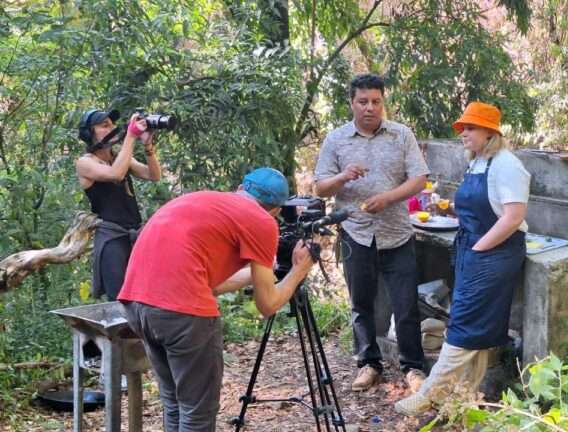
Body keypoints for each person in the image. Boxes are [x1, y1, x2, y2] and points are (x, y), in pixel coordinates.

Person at [118, 168, 315, 431]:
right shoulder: (262, 220)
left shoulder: (200, 200)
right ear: (277, 210)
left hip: (136, 303)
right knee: (197, 413)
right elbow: (267, 305)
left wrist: (258, 275)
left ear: (241, 189)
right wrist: (299, 270)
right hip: (182, 313)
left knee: (176, 403)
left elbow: (209, 281)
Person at [395, 102, 530, 415]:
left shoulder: (507, 164)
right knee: (478, 325)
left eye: (469, 128)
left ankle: (429, 393)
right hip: (472, 248)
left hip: (494, 252)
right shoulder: (479, 162)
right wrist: (451, 209)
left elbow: (513, 218)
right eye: (463, 128)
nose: (463, 134)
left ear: (489, 132)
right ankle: (462, 398)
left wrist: (481, 248)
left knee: (464, 322)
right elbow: (482, 204)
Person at [314, 73, 429, 392]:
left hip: (397, 233)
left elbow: (419, 178)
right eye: (363, 101)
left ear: (383, 102)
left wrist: (389, 198)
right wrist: (342, 177)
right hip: (356, 233)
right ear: (352, 103)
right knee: (360, 303)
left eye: (376, 101)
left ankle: (413, 368)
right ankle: (368, 364)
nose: (370, 107)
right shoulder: (336, 140)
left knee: (406, 304)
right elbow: (320, 188)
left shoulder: (401, 134)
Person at [75, 108, 162, 300]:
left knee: (147, 294)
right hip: (112, 237)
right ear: (89, 133)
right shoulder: (85, 163)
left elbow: (153, 175)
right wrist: (131, 136)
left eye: (112, 124)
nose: (112, 128)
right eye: (104, 125)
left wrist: (148, 146)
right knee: (120, 299)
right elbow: (115, 174)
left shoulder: (120, 158)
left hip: (136, 234)